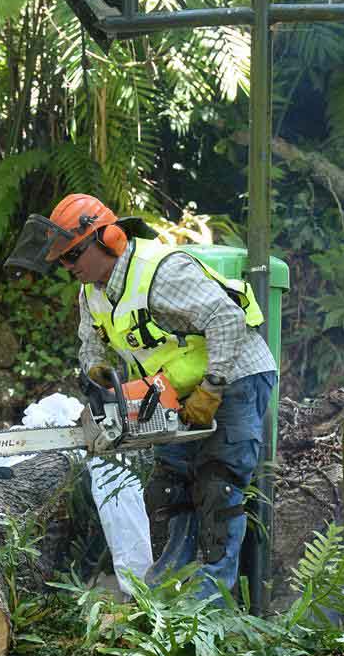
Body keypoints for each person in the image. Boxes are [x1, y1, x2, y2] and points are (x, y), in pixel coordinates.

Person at [17, 193, 277, 597]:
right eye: (63, 260)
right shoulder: (92, 292)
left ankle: (209, 605)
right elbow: (90, 344)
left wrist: (212, 388)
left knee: (217, 486)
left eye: (73, 256)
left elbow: (227, 318)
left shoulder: (161, 272)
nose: (68, 267)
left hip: (237, 374)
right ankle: (168, 594)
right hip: (175, 390)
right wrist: (97, 375)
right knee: (168, 490)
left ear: (111, 239)